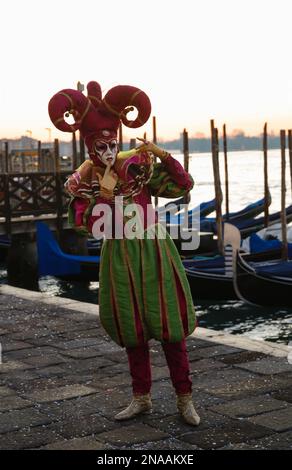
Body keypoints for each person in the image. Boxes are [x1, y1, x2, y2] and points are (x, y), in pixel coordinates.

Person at [48, 81, 200, 426]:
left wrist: (162, 154)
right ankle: (141, 398)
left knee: (169, 325)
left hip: (154, 248)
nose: (107, 148)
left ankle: (184, 399)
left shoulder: (138, 164)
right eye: (99, 144)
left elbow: (182, 185)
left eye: (111, 142)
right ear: (89, 145)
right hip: (119, 253)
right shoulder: (84, 179)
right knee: (132, 328)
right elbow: (88, 226)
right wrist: (103, 194)